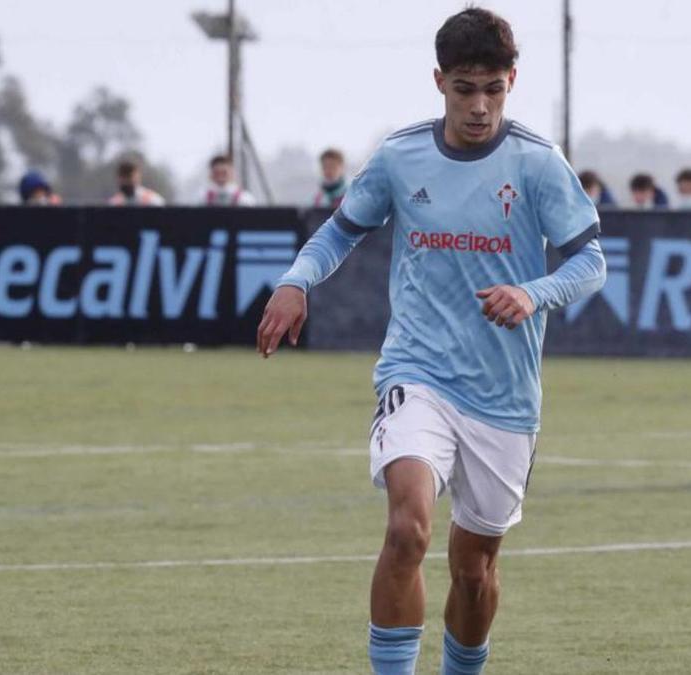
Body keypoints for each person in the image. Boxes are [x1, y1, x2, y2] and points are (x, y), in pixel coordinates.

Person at [257, 9, 606, 675]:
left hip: (504, 396)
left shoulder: (537, 162)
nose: (479, 107)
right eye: (465, 89)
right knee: (406, 528)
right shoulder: (401, 155)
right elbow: (340, 230)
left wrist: (534, 291)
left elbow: (591, 262)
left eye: (494, 89)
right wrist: (296, 281)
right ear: (439, 80)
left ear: (512, 82)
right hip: (417, 372)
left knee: (474, 570)